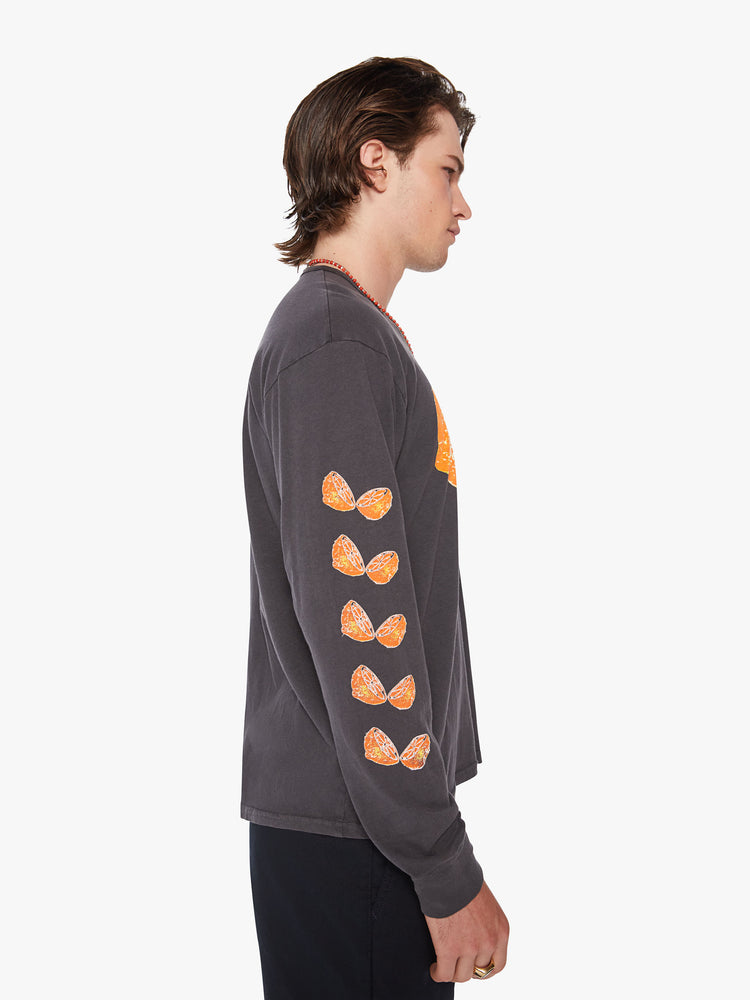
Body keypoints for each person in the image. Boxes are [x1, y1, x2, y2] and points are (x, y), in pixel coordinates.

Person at [241, 56, 510, 998]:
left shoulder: (344, 336)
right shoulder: (334, 344)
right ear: (375, 161)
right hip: (357, 841)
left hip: (358, 827)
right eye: (449, 169)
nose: (463, 204)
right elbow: (364, 627)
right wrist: (443, 864)